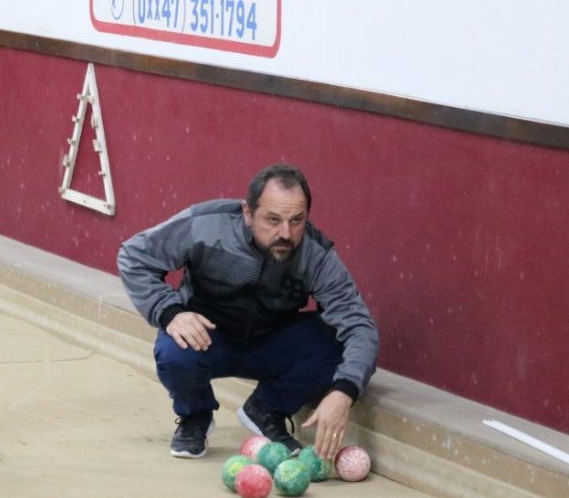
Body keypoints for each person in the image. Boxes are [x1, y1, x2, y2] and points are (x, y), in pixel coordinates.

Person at [117, 163, 378, 461]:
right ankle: (196, 416)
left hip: (273, 342)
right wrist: (170, 312)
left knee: (337, 341)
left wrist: (344, 393)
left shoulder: (316, 254)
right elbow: (134, 256)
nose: (286, 233)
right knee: (173, 349)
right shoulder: (205, 224)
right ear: (247, 213)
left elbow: (360, 327)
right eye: (273, 220)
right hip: (209, 337)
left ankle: (267, 410)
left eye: (297, 221)